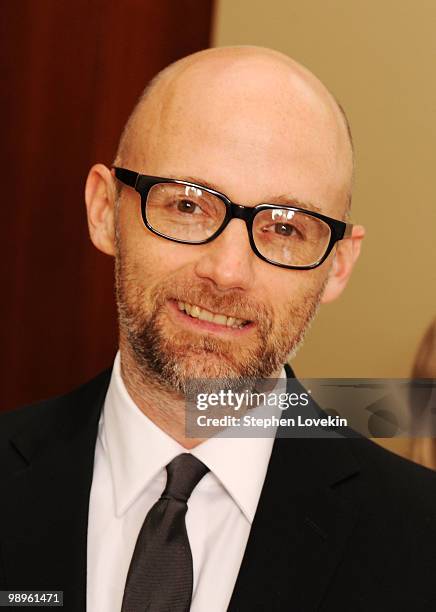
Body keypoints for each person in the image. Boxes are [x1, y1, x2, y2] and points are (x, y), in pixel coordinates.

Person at [1, 46, 436, 612]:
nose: (227, 272)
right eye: (187, 205)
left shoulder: (419, 543)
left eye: (285, 226)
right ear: (105, 208)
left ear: (338, 264)